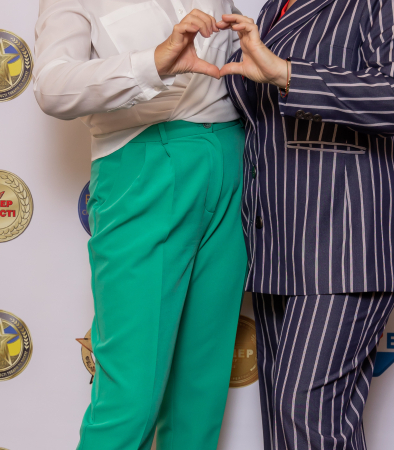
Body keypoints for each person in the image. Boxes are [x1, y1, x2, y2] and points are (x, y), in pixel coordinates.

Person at [217, 0, 394, 448]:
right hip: (276, 247)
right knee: (291, 430)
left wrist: (287, 74)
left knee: (303, 416)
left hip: (344, 244)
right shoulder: (274, 7)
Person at [33, 1, 247, 449]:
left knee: (199, 396)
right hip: (142, 163)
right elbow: (51, 86)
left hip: (231, 158)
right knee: (130, 398)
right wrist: (152, 63)